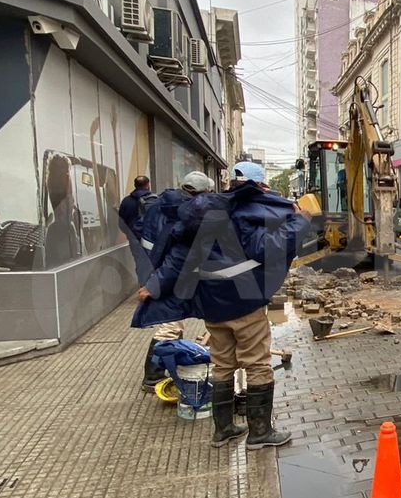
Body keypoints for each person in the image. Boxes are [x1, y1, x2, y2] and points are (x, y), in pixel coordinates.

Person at [134, 172, 313, 448]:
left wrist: (152, 287)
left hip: (212, 308)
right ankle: (260, 432)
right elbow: (266, 248)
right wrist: (300, 222)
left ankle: (224, 429)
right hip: (244, 304)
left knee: (222, 365)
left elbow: (176, 261)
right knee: (257, 364)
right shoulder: (239, 214)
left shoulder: (192, 221)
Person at [130, 172, 212, 393]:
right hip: (167, 274)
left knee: (174, 321)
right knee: (170, 325)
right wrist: (154, 285)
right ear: (202, 192)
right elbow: (178, 257)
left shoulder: (162, 204)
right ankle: (153, 376)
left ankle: (171, 362)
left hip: (155, 266)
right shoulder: (186, 212)